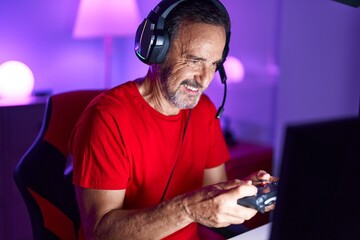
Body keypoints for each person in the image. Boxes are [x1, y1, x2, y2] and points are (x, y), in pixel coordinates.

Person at [70, 0, 276, 239]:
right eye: (194, 60)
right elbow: (100, 234)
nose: (204, 79)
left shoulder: (204, 111)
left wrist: (244, 193)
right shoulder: (107, 119)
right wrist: (188, 209)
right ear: (155, 49)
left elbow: (213, 191)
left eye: (214, 65)